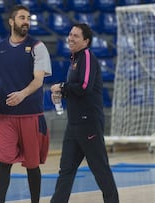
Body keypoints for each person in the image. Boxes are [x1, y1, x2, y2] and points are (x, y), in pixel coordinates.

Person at [0, 4, 52, 203]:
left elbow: (39, 79)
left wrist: (22, 94)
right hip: (5, 116)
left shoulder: (38, 47)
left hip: (31, 115)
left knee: (32, 165)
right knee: (4, 163)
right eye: (22, 17)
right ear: (11, 22)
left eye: (28, 18)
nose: (26, 21)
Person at [50, 23, 119, 203]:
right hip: (74, 125)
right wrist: (61, 93)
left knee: (99, 169)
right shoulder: (74, 60)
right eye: (70, 34)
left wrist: (63, 87)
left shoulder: (87, 57)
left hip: (89, 123)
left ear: (86, 41)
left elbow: (84, 87)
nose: (71, 38)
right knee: (66, 170)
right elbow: (76, 90)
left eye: (76, 36)